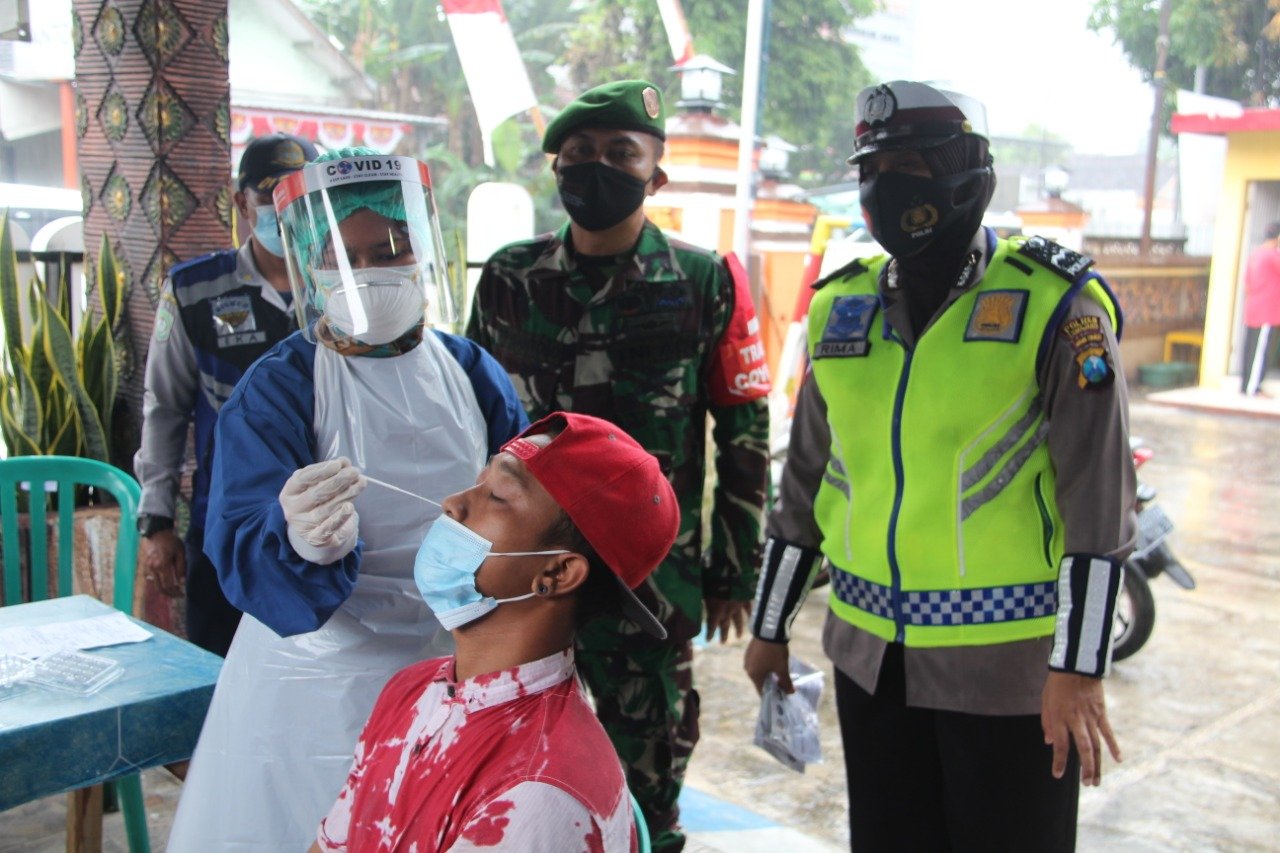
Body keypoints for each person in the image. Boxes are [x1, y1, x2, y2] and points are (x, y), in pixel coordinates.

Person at [743, 81, 1137, 851]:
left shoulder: (1058, 306)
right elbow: (804, 485)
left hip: (1011, 674)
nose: (885, 188)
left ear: (968, 177)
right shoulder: (841, 309)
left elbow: (1101, 501)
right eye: (872, 170)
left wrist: (1080, 665)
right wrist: (770, 625)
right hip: (869, 664)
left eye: (911, 169)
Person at [166, 147, 527, 852]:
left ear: (422, 252)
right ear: (312, 265)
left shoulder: (471, 371)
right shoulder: (279, 387)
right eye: (344, 255)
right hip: (316, 679)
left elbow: (524, 504)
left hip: (456, 661)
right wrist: (296, 541)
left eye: (390, 249)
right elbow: (237, 537)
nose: (368, 271)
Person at [467, 79, 771, 851]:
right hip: (524, 572)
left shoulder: (705, 280)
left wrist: (734, 573)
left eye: (619, 153)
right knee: (513, 769)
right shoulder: (509, 277)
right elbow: (473, 417)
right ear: (556, 168)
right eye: (579, 152)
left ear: (655, 175)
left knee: (647, 785)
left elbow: (743, 432)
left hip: (648, 583)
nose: (595, 166)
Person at [310, 412, 679, 853]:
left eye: (499, 495)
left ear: (557, 573)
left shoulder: (539, 789)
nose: (453, 503)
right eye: (478, 481)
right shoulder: (411, 691)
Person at [133, 132, 316, 656]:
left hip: (327, 522)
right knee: (221, 667)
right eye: (272, 195)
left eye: (303, 196)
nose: (288, 209)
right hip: (228, 522)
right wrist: (157, 522)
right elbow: (164, 408)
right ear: (242, 203)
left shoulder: (341, 287)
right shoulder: (195, 290)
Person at [1241, 221, 1280, 396]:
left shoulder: (1255, 254)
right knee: (1261, 351)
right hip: (1266, 312)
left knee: (1251, 348)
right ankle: (1253, 388)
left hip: (1253, 310)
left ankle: (1248, 385)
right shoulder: (1272, 256)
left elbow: (1247, 285)